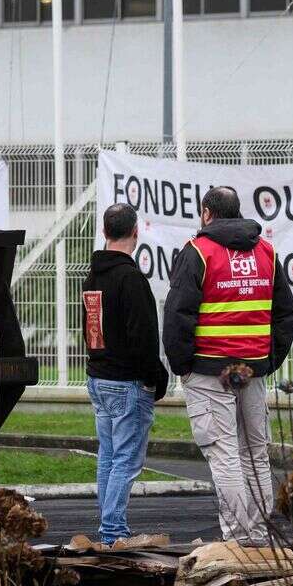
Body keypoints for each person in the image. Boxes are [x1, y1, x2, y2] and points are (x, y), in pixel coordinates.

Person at [162, 186, 293, 544]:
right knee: (255, 452)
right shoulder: (266, 251)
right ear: (237, 212)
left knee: (224, 454)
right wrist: (268, 360)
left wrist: (182, 366)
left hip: (208, 370)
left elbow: (178, 314)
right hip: (251, 370)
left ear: (207, 213)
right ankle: (259, 533)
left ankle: (237, 537)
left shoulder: (198, 252)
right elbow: (285, 312)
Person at [82, 202, 170, 545]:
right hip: (127, 381)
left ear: (105, 232)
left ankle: (108, 528)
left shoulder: (93, 276)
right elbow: (144, 336)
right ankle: (113, 529)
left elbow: (91, 329)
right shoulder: (130, 278)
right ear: (136, 232)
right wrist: (154, 378)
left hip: (99, 376)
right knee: (126, 461)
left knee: (108, 456)